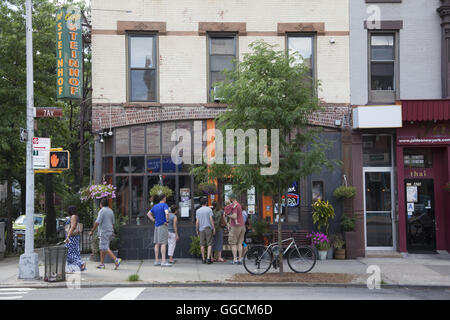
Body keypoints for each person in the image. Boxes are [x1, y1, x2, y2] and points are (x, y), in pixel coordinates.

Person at [89, 198, 122, 270]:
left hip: (104, 231)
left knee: (105, 247)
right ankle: (102, 264)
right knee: (102, 248)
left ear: (101, 204)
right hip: (110, 231)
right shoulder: (111, 211)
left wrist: (92, 231)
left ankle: (116, 259)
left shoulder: (102, 211)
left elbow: (97, 222)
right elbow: (113, 223)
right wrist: (112, 232)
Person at [147, 194, 172, 267]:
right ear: (164, 198)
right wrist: (167, 221)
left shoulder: (155, 206)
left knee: (157, 243)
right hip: (163, 226)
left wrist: (153, 220)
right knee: (163, 243)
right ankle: (163, 261)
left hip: (156, 226)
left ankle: (156, 261)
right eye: (166, 198)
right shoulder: (165, 205)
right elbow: (167, 213)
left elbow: (148, 214)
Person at [224, 193, 245, 265]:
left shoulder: (234, 206)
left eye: (229, 198)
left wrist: (227, 215)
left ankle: (235, 260)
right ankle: (240, 259)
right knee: (239, 244)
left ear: (231, 199)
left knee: (233, 244)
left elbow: (234, 216)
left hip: (235, 226)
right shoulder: (238, 205)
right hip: (242, 226)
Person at [64, 206, 86, 273]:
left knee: (69, 252)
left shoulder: (73, 216)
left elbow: (73, 227)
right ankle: (71, 268)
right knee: (73, 252)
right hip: (73, 237)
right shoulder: (75, 216)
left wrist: (68, 236)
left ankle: (81, 263)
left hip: (71, 238)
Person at [196, 197, 216, 264]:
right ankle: (208, 258)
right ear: (206, 203)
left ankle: (203, 259)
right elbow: (211, 219)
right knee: (209, 243)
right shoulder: (209, 210)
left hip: (201, 228)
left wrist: (197, 229)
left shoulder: (198, 211)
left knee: (202, 244)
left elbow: (197, 222)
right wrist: (213, 228)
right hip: (208, 228)